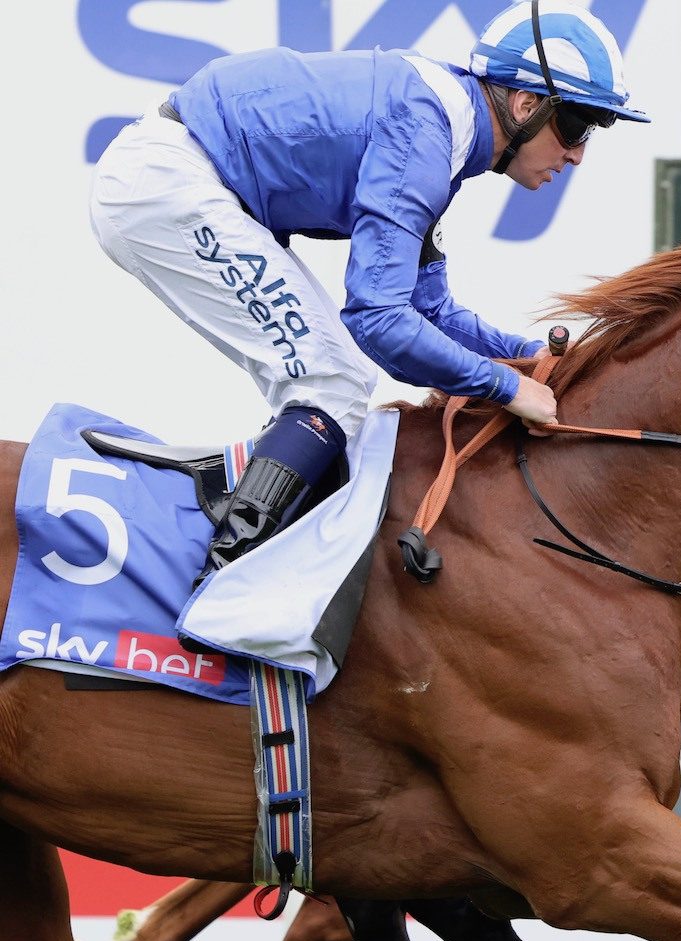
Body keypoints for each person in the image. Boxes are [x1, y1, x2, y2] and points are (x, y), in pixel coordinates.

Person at [88, 0, 647, 580]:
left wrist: (523, 357)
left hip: (185, 178)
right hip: (170, 184)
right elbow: (378, 319)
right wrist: (504, 386)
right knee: (333, 383)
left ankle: (245, 537)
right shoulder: (424, 137)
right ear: (526, 104)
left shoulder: (443, 129)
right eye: (577, 124)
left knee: (335, 381)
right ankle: (224, 582)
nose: (578, 153)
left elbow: (426, 308)